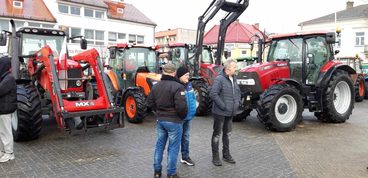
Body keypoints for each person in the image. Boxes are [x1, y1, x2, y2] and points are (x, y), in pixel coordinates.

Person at [147, 63, 188, 178]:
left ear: (163, 72)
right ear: (174, 72)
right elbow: (181, 107)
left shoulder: (156, 86)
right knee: (173, 147)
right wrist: (182, 117)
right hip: (174, 121)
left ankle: (157, 171)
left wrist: (158, 112)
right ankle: (171, 173)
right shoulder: (178, 87)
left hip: (161, 120)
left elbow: (149, 103)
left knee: (160, 145)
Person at [210, 59, 241, 166]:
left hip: (230, 112)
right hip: (220, 112)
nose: (236, 69)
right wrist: (223, 106)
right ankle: (215, 157)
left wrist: (237, 102)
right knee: (217, 134)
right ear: (228, 69)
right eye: (234, 67)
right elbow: (213, 94)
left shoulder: (234, 78)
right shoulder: (219, 79)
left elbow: (237, 91)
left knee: (227, 134)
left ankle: (226, 155)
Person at [176, 67, 196, 166]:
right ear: (180, 76)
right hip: (179, 118)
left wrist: (194, 110)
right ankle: (172, 161)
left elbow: (192, 98)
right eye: (186, 75)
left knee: (186, 137)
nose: (188, 77)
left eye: (188, 74)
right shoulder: (176, 87)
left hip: (188, 117)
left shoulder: (189, 85)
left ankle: (185, 157)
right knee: (175, 139)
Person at [0, 57, 17, 163]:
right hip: (2, 109)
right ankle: (3, 151)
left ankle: (9, 153)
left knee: (6, 132)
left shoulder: (9, 78)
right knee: (2, 132)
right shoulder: (4, 77)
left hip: (5, 110)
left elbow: (0, 90)